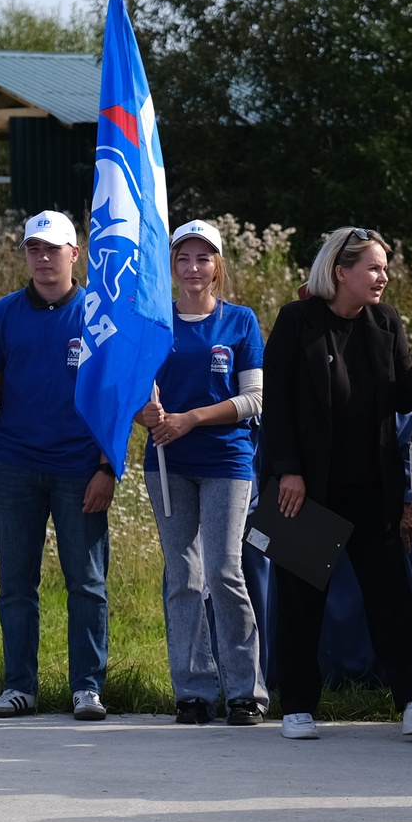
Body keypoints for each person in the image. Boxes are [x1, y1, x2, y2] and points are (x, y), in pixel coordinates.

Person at [260, 226, 412, 740]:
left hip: (373, 487)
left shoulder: (385, 321)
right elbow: (276, 404)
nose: (383, 277)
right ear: (340, 271)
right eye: (373, 267)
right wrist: (288, 470)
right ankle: (297, 707)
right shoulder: (296, 320)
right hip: (306, 488)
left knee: (391, 598)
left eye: (385, 268)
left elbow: (401, 399)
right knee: (301, 602)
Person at [0, 210, 116, 722]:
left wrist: (107, 469)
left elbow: (113, 399)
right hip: (15, 465)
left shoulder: (98, 314)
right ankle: (19, 687)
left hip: (80, 468)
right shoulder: (1, 315)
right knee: (15, 584)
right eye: (34, 248)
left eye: (53, 249)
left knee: (86, 583)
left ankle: (87, 688)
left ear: (75, 254)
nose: (43, 258)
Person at [135, 220, 268, 725]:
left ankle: (245, 692)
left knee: (223, 572)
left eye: (203, 258)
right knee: (183, 577)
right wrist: (144, 414)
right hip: (167, 463)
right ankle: (193, 691)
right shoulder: (154, 322)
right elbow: (130, 396)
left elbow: (254, 399)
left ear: (217, 265)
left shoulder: (240, 321)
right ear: (171, 266)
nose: (193, 268)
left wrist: (190, 419)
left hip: (226, 462)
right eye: (183, 258)